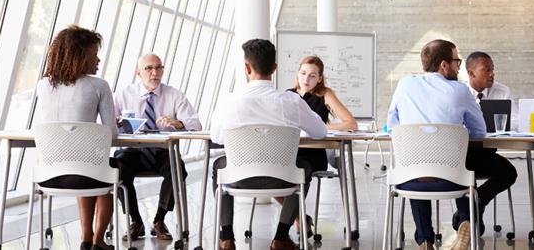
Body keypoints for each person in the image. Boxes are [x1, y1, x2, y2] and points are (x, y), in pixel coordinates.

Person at [387, 39, 517, 250]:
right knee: (465, 165)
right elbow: (479, 132)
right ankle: (467, 219)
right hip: (453, 174)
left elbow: (392, 124)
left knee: (417, 165)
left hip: (410, 175)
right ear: (444, 65)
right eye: (457, 61)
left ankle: (425, 240)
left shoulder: (404, 84)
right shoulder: (459, 90)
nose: (459, 67)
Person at [210, 39, 327, 250]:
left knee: (218, 166)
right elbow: (320, 132)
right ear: (274, 68)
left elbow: (217, 137)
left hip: (239, 178)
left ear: (246, 68)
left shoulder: (228, 101)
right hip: (282, 179)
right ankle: (281, 237)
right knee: (304, 168)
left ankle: (226, 237)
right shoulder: (291, 101)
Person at [34, 25, 118, 250]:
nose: (98, 59)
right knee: (104, 169)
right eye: (94, 54)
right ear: (79, 56)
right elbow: (112, 133)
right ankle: (98, 240)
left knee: (89, 165)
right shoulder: (100, 85)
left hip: (49, 176)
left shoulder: (43, 86)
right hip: (89, 175)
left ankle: (85, 238)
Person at [113, 53, 202, 241]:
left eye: (159, 67)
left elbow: (195, 124)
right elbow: (106, 122)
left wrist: (178, 123)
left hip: (162, 151)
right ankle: (136, 220)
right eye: (148, 68)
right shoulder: (124, 94)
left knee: (177, 168)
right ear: (138, 72)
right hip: (132, 151)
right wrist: (119, 122)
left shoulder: (174, 94)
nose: (155, 73)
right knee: (116, 169)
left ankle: (159, 219)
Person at [282, 55, 358, 235]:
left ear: (320, 78)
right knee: (272, 173)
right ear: (298, 74)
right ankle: (300, 216)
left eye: (312, 75)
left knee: (300, 170)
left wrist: (324, 127)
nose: (306, 79)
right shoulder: (287, 95)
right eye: (303, 73)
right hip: (289, 151)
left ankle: (285, 230)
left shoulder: (325, 94)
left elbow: (351, 124)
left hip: (313, 155)